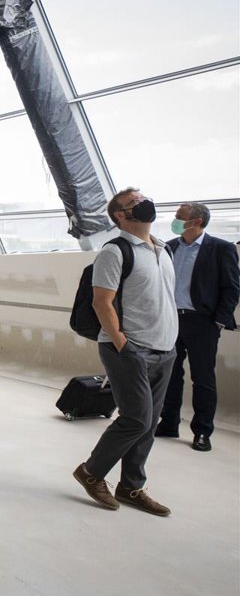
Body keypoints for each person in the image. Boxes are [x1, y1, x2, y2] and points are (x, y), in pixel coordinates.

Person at [71, 188, 176, 516]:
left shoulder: (163, 248)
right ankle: (91, 472)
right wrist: (122, 343)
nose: (145, 204)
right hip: (129, 350)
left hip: (165, 348)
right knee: (136, 419)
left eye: (144, 199)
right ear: (120, 215)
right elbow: (101, 302)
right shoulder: (114, 251)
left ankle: (131, 486)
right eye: (135, 203)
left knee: (149, 423)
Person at [155, 202, 239, 452]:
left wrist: (219, 321)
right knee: (170, 374)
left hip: (202, 322)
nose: (175, 220)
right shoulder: (169, 247)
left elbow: (232, 288)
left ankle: (202, 431)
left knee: (203, 378)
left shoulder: (221, 248)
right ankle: (169, 422)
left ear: (197, 222)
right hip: (171, 320)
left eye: (180, 216)